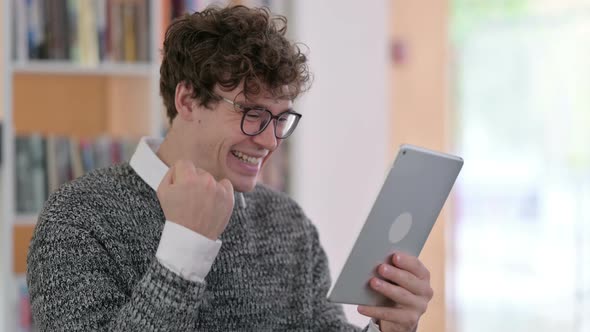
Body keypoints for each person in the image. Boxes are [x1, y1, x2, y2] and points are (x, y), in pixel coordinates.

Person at [26, 5, 433, 332]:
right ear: (187, 101)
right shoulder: (78, 218)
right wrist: (186, 246)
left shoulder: (287, 223)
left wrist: (388, 329)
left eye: (281, 119)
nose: (271, 140)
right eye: (253, 113)